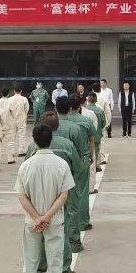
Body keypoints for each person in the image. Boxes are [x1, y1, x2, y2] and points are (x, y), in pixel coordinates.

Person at [14, 123, 78, 273]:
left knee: (30, 263)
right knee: (55, 263)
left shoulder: (26, 166)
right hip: (54, 222)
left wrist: (37, 218)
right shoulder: (61, 165)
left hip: (32, 223)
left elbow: (22, 196)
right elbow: (63, 195)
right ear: (51, 140)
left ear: (34, 141)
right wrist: (47, 216)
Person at [25, 112, 80, 273]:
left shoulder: (32, 147)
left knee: (38, 230)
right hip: (61, 193)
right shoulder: (67, 145)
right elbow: (77, 168)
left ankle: (38, 270)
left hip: (36, 195)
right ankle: (64, 270)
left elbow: (25, 170)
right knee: (60, 230)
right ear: (57, 126)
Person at [54, 97, 89, 253]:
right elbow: (82, 153)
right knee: (72, 208)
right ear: (70, 109)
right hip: (70, 174)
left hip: (50, 173)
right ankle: (73, 242)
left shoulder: (48, 127)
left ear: (56, 108)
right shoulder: (75, 129)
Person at [68, 97, 98, 229]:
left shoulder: (62, 122)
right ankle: (83, 222)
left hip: (66, 159)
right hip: (82, 159)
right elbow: (92, 140)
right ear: (79, 106)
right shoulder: (86, 121)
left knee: (66, 191)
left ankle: (68, 221)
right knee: (83, 191)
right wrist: (91, 156)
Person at [84, 93, 106, 180]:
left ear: (88, 100)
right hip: (97, 135)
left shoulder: (84, 110)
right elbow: (104, 122)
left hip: (85, 136)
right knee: (95, 152)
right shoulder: (100, 111)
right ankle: (95, 165)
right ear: (96, 100)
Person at [9, 86, 31, 157]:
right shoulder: (24, 99)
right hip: (21, 119)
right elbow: (27, 109)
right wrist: (24, 115)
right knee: (21, 135)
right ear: (21, 91)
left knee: (12, 136)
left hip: (12, 119)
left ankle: (11, 152)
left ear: (14, 91)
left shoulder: (10, 99)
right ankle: (21, 151)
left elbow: (8, 110)